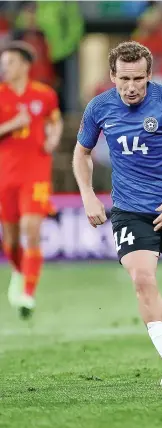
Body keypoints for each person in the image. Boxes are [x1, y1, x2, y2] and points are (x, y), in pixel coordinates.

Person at [72, 41, 162, 385]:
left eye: (139, 80)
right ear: (112, 76)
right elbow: (81, 153)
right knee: (142, 279)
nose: (131, 88)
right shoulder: (99, 107)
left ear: (149, 76)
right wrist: (87, 194)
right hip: (130, 210)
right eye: (124, 80)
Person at [0, 41, 63, 318]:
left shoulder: (45, 94)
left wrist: (53, 137)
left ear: (25, 65)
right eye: (3, 63)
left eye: (10, 62)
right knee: (12, 240)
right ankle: (17, 270)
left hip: (35, 172)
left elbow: (55, 121)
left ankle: (28, 293)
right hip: (5, 175)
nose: (5, 68)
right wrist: (14, 125)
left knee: (31, 229)